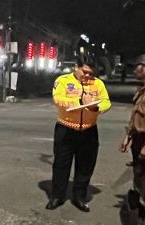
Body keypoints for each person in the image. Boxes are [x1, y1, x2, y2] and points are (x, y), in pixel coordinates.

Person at [47, 59, 111, 212]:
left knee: (85, 166)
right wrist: (79, 101)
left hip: (89, 130)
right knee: (61, 164)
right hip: (66, 128)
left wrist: (96, 107)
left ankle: (79, 197)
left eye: (90, 73)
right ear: (76, 68)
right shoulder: (63, 81)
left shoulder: (98, 84)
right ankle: (57, 196)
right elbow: (58, 98)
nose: (87, 75)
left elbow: (106, 102)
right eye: (84, 72)